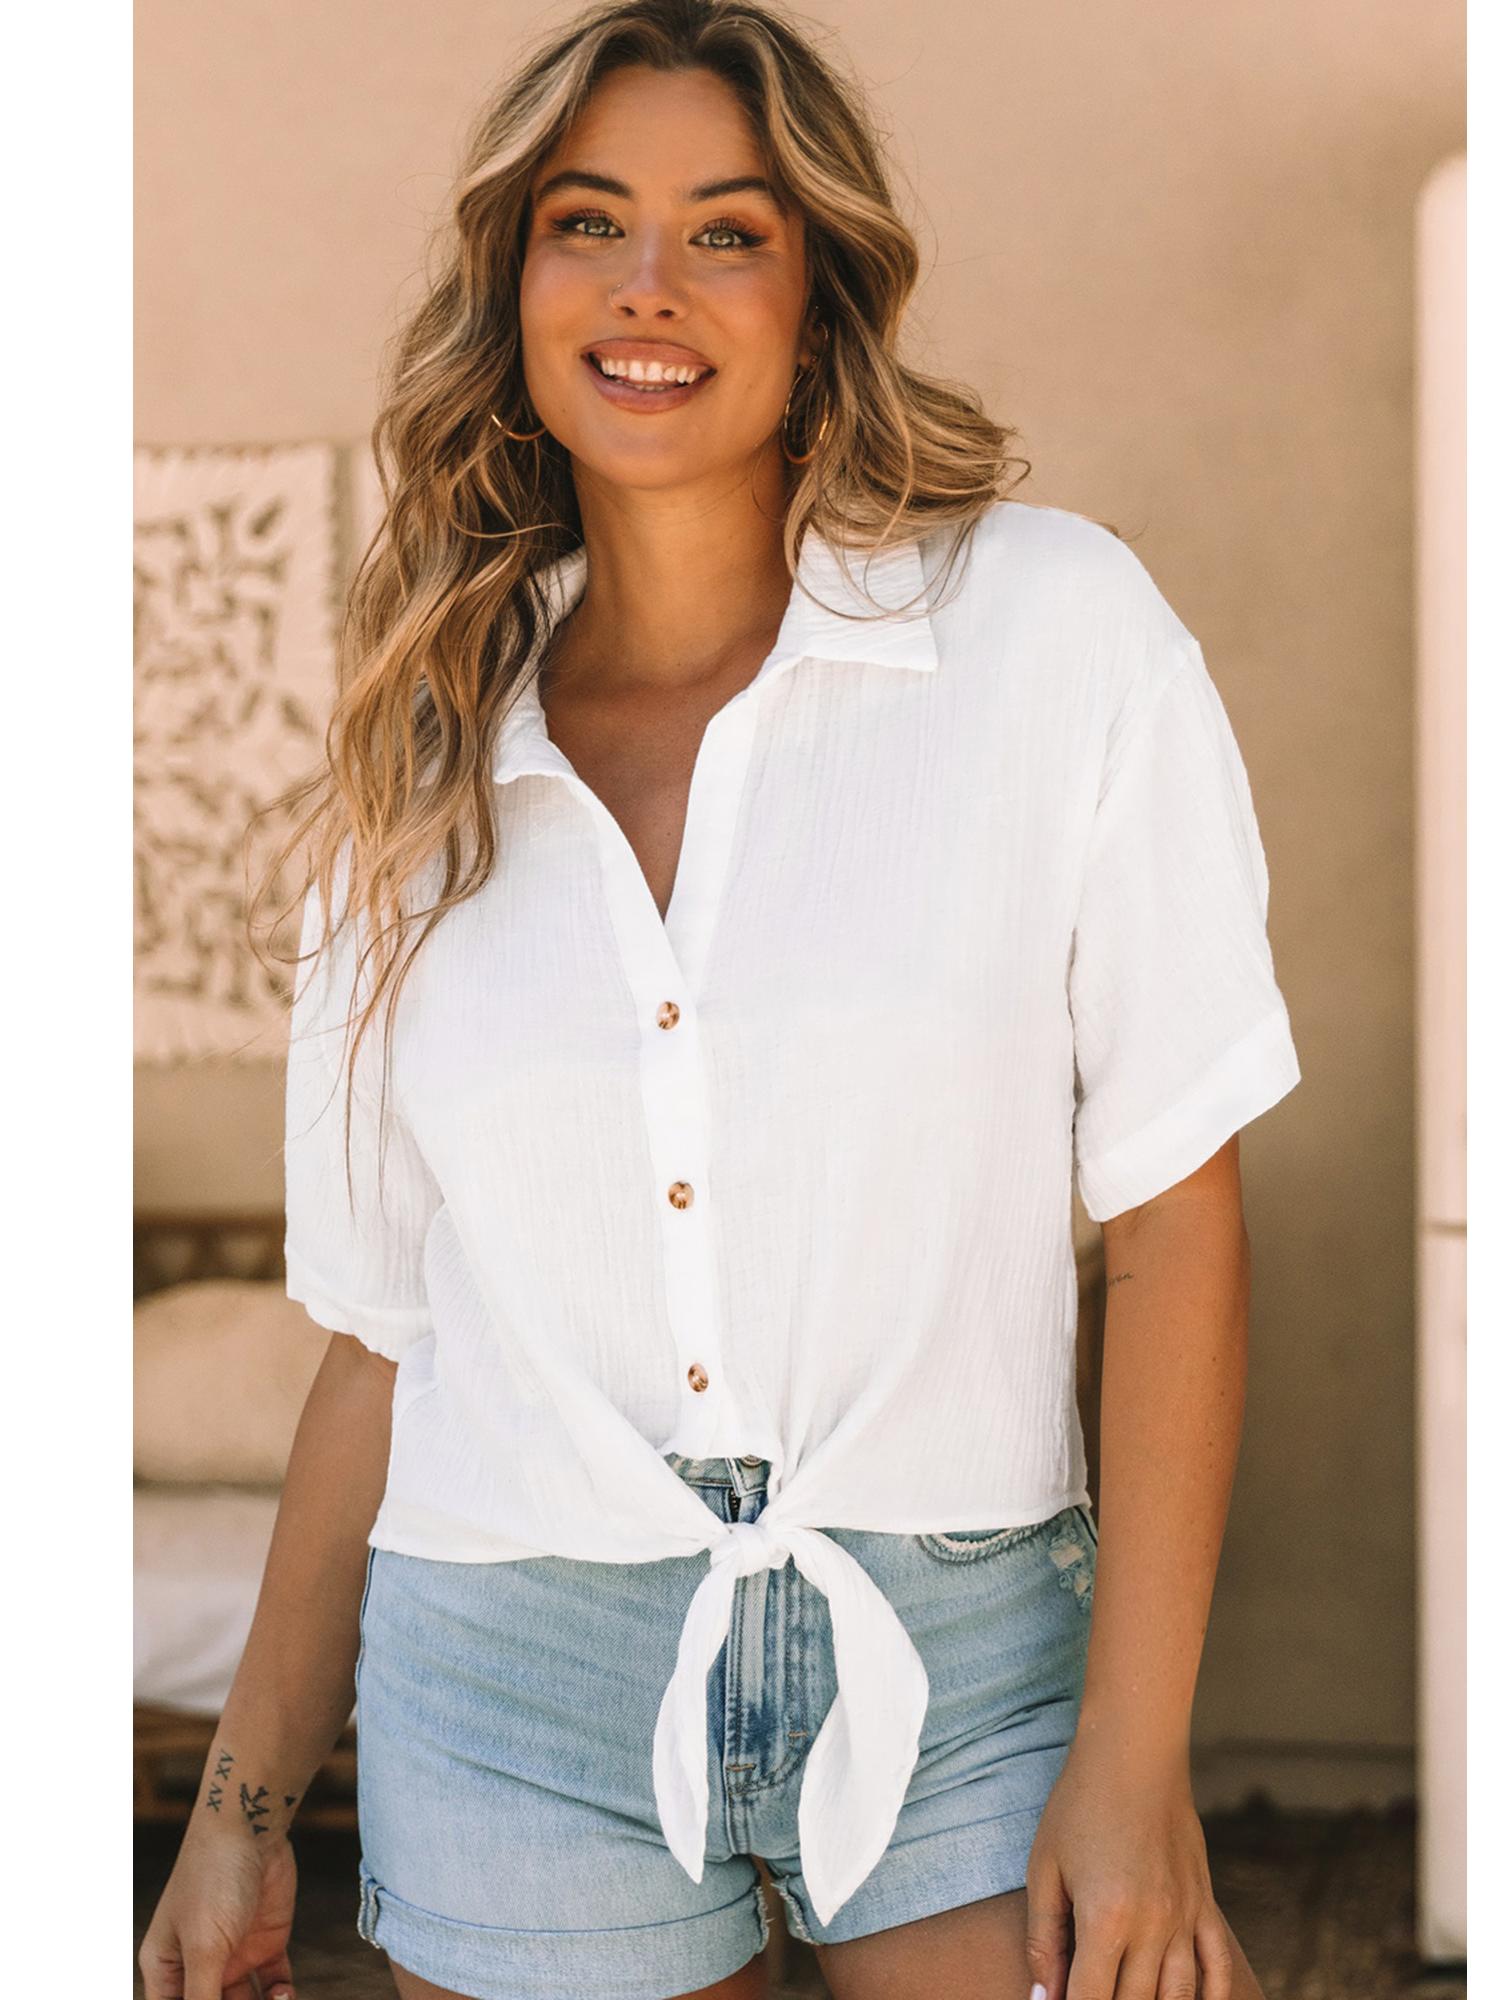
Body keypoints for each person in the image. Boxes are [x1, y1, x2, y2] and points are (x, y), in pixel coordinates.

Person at [138, 3, 1302, 1997]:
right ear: (513, 285)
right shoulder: (412, 768)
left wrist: (1136, 1759)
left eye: (729, 231)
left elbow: (1174, 1217)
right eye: (586, 222)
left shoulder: (1050, 635)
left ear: (820, 289)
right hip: (510, 1676)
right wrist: (240, 1809)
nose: (647, 286)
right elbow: (382, 1341)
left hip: (965, 1652)